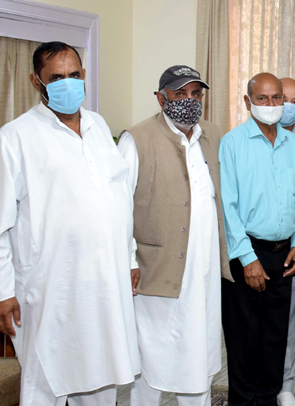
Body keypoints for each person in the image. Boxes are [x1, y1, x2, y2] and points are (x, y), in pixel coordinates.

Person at [0, 41, 139, 405]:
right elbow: (0, 222)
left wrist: (130, 258)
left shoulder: (98, 125)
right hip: (50, 285)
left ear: (84, 76)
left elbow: (119, 196)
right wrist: (3, 290)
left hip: (104, 278)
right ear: (36, 81)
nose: (68, 83)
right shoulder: (15, 137)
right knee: (46, 379)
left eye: (74, 75)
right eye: (57, 78)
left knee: (100, 373)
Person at [119, 65, 228, 405]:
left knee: (199, 351)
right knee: (152, 356)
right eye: (180, 94)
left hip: (205, 269)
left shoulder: (212, 134)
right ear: (160, 97)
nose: (189, 101)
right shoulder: (136, 139)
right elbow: (119, 208)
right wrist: (128, 259)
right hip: (156, 269)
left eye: (196, 94)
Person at [219, 72, 295, 406]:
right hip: (247, 253)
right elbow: (228, 206)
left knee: (274, 338)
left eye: (277, 98)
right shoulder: (233, 143)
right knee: (244, 339)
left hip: (283, 253)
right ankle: (242, 401)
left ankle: (268, 399)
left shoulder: (292, 144)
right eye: (263, 99)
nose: (271, 105)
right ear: (248, 102)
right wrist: (247, 259)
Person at [277, 77, 295, 406]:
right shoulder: (244, 140)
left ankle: (285, 386)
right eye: (285, 99)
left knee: (291, 322)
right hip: (258, 246)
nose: (290, 107)